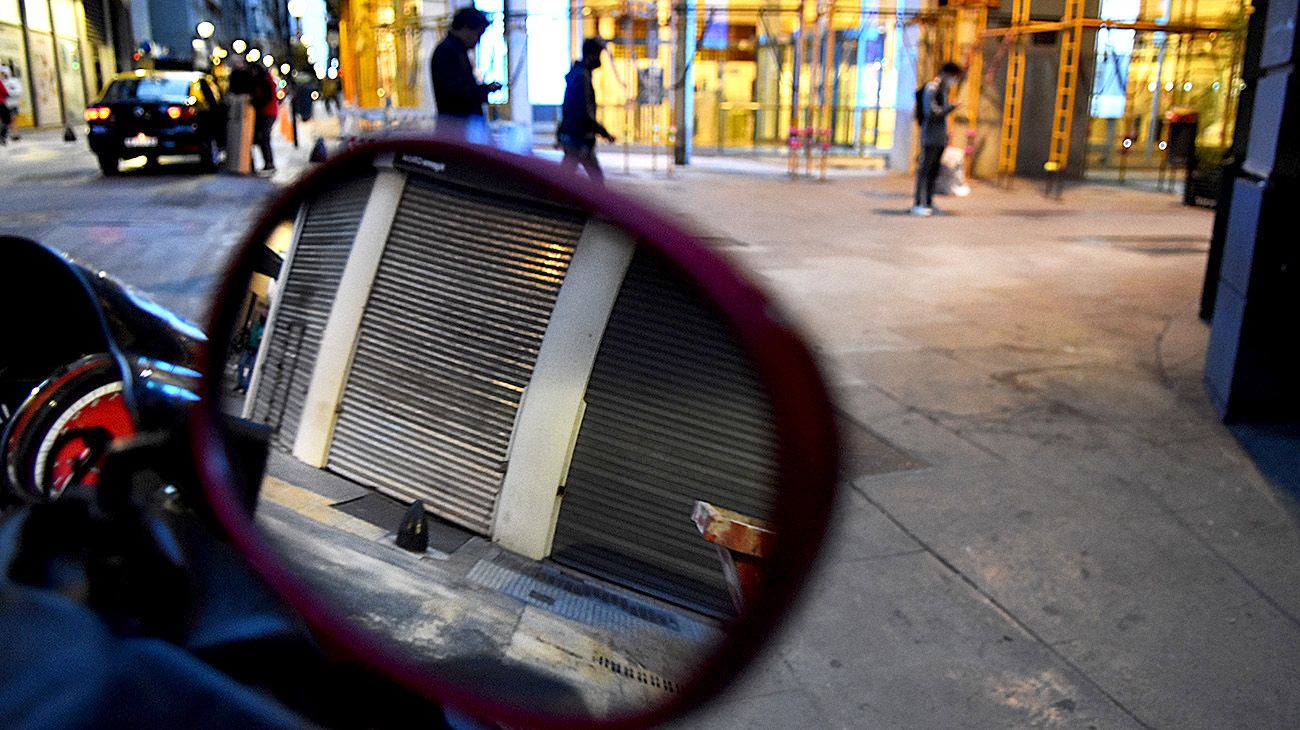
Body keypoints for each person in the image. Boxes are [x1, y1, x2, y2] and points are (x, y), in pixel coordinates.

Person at [430, 8, 501, 137]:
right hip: (458, 130)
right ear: (466, 29)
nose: (477, 42)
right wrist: (484, 90)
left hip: (460, 129)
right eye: (478, 35)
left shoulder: (455, 51)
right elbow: (458, 95)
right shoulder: (448, 52)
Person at [558, 38, 616, 184]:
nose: (600, 60)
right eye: (598, 55)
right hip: (579, 139)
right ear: (591, 55)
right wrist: (604, 132)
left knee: (565, 178)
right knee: (597, 180)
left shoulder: (579, 75)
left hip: (575, 138)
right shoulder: (581, 78)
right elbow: (583, 113)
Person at [911, 62, 963, 216]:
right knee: (925, 170)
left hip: (939, 137)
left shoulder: (943, 89)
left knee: (933, 171)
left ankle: (928, 202)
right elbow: (931, 112)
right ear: (947, 73)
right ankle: (919, 203)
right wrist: (950, 107)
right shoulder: (932, 88)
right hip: (930, 136)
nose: (954, 80)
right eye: (954, 76)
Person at [249, 65, 278, 173]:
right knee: (263, 138)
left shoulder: (264, 81)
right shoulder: (265, 80)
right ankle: (268, 162)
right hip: (269, 112)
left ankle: (269, 162)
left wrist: (255, 103)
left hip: (267, 113)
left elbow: (266, 97)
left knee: (264, 138)